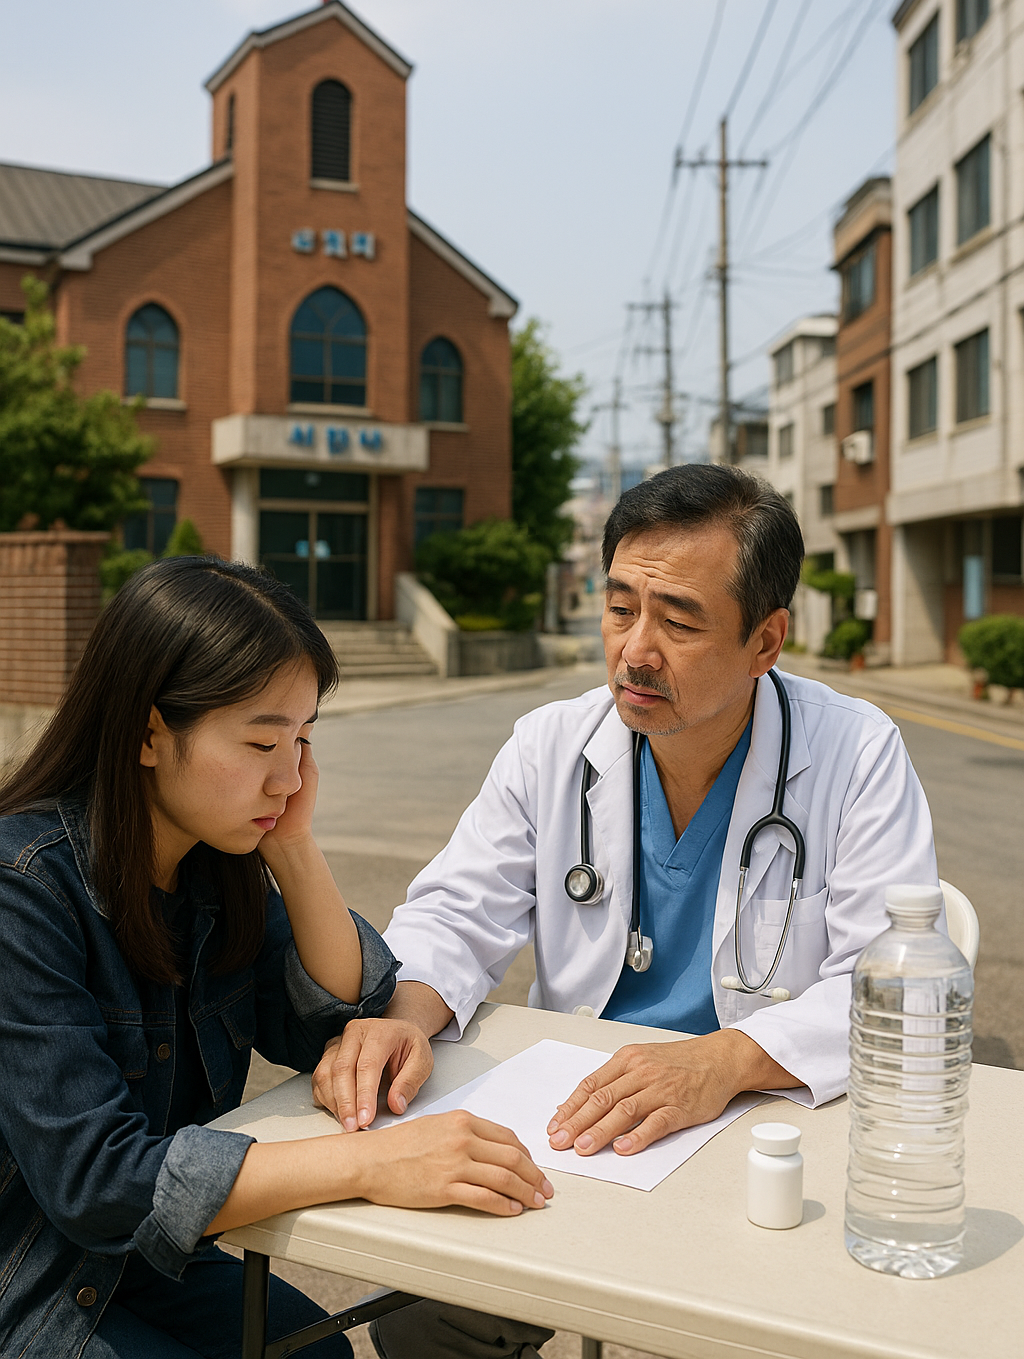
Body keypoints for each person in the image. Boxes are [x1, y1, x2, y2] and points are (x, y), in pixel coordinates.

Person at [311, 465, 941, 1359]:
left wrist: (719, 1064)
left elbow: (893, 985)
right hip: (581, 1124)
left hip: (763, 1119)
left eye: (679, 621)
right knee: (425, 1318)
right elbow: (457, 908)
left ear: (767, 641)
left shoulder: (855, 752)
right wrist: (405, 1016)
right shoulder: (552, 745)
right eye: (619, 609)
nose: (636, 650)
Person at [0, 558, 551, 1359]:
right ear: (148, 734)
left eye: (302, 739)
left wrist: (293, 847)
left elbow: (333, 1019)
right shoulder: (24, 893)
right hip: (29, 1281)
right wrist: (368, 1162)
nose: (289, 776)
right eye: (262, 740)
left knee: (316, 1352)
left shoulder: (209, 869)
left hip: (144, 1267)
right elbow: (99, 1183)